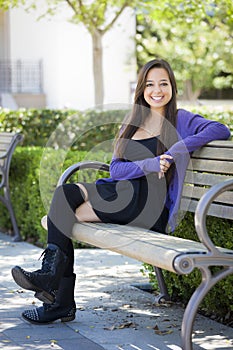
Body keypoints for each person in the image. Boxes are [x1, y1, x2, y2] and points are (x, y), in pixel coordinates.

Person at [11, 58, 230, 324]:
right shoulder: (133, 122)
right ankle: (53, 282)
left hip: (149, 205)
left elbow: (221, 129)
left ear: (172, 87)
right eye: (150, 84)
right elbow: (116, 170)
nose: (157, 90)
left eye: (163, 83)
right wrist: (150, 163)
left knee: (62, 214)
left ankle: (58, 296)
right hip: (123, 193)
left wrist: (177, 150)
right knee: (64, 195)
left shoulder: (180, 119)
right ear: (141, 89)